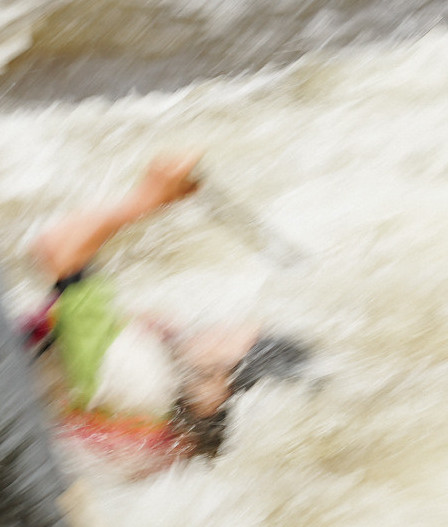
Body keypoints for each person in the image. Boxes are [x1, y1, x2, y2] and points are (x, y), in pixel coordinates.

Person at [24, 152, 312, 460]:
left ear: (214, 397)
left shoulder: (139, 378)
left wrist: (147, 200)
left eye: (224, 340)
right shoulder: (171, 431)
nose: (214, 330)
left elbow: (55, 246)